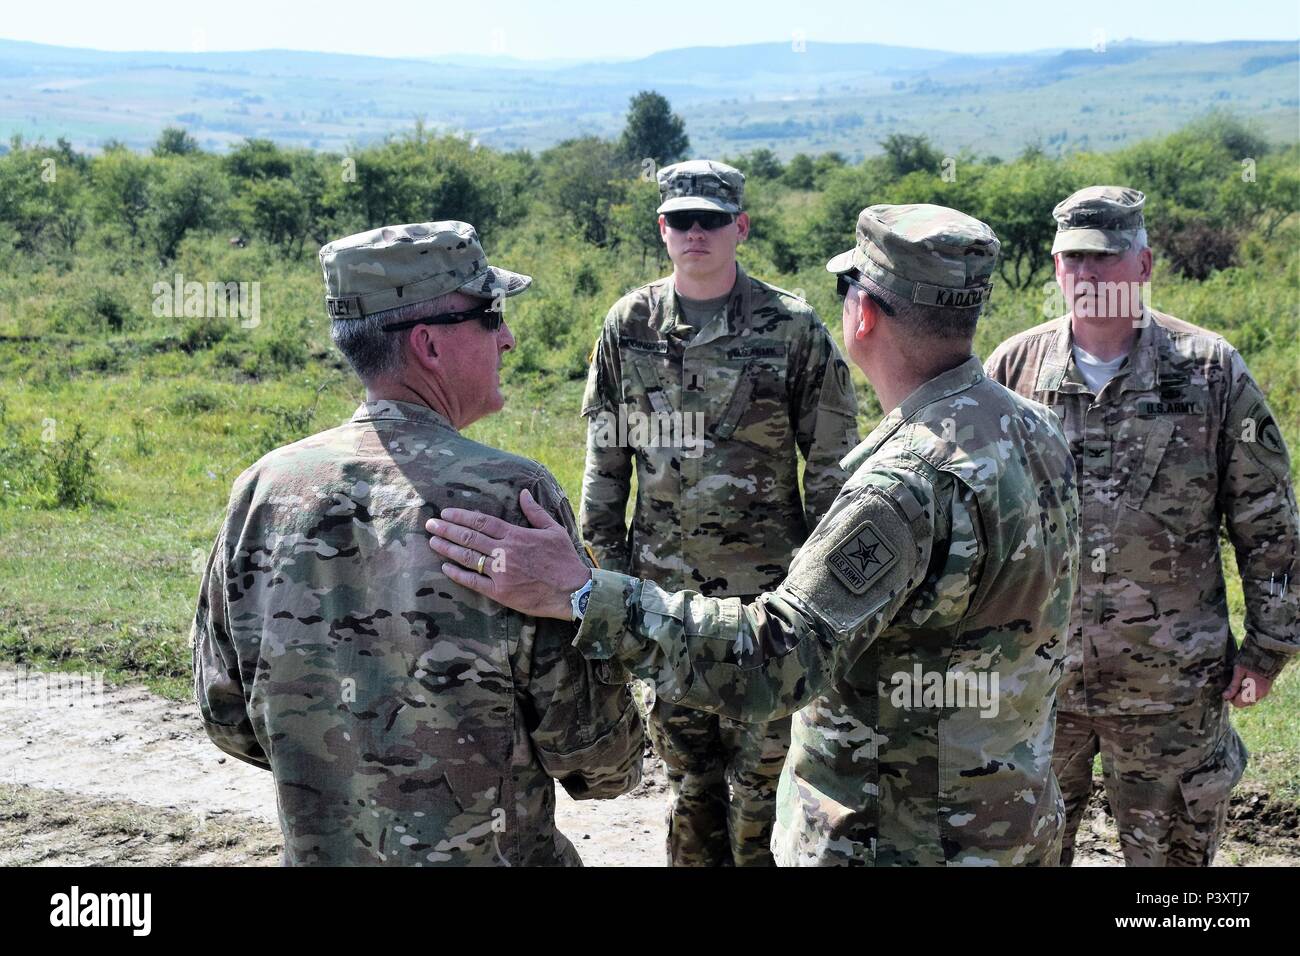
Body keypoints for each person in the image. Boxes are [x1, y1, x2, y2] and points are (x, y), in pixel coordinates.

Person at [427, 204, 1081, 866]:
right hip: (1011, 819)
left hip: (900, 837)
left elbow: (775, 661)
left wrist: (582, 594)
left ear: (865, 315)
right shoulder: (1030, 429)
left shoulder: (904, 483)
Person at [192, 221, 643, 866]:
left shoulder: (264, 490)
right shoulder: (511, 496)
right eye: (492, 315)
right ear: (429, 344)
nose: (508, 338)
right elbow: (600, 757)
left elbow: (227, 715)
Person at [985, 186, 1299, 866]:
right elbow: (976, 520)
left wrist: (1269, 649)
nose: (1089, 276)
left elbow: (1266, 516)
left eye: (1106, 259)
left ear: (1144, 264)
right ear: (1055, 268)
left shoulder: (1211, 372)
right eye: (1074, 260)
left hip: (1172, 687)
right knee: (1022, 853)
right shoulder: (1012, 372)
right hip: (1041, 682)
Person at [581, 158, 860, 866]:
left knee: (763, 783)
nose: (695, 233)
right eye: (681, 221)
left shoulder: (792, 328)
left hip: (770, 604)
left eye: (711, 220)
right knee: (690, 781)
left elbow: (831, 470)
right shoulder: (630, 325)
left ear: (741, 226)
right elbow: (605, 468)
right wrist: (609, 593)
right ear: (662, 230)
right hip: (662, 600)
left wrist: (829, 599)